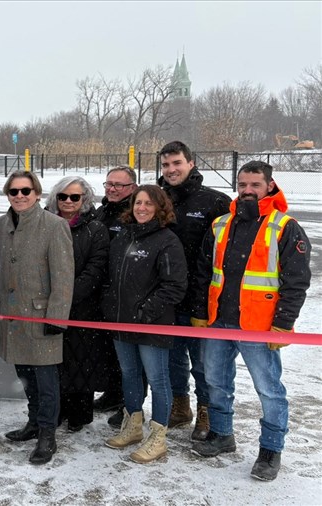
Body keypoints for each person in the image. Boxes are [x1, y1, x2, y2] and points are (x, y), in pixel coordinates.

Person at [191, 161, 311, 481]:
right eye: (242, 184)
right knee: (216, 381)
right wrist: (201, 314)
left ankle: (270, 450)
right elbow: (204, 274)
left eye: (255, 185)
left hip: (259, 325)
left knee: (268, 390)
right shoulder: (220, 224)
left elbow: (296, 281)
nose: (247, 190)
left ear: (269, 186)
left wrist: (284, 324)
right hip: (219, 322)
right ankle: (221, 434)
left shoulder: (284, 227)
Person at [0, 171, 74, 465]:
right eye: (13, 192)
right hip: (12, 316)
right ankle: (34, 422)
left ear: (37, 193)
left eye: (25, 191)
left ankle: (48, 434)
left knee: (46, 380)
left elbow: (63, 277)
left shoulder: (54, 226)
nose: (19, 196)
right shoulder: (0, 225)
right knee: (25, 375)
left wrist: (56, 317)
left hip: (40, 317)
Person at [101, 185, 187, 464]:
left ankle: (158, 437)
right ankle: (133, 425)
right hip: (120, 322)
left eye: (149, 204)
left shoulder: (167, 240)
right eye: (138, 203)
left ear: (159, 207)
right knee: (129, 375)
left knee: (158, 380)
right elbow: (111, 279)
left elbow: (175, 286)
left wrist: (146, 311)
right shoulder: (123, 236)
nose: (142, 208)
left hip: (152, 325)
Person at [158, 141, 231, 441]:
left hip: (201, 300)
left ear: (191, 163)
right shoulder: (156, 198)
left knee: (203, 363)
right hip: (165, 298)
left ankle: (206, 410)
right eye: (165, 165)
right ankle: (180, 405)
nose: (171, 170)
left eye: (177, 163)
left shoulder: (215, 202)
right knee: (172, 358)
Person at [44, 175, 110, 434]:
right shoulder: (46, 224)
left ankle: (80, 413)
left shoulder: (96, 228)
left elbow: (96, 268)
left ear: (84, 199)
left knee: (82, 360)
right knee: (54, 360)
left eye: (75, 197)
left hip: (83, 306)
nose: (68, 201)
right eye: (63, 196)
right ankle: (56, 409)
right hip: (48, 305)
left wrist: (67, 296)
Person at [93, 166, 137, 426]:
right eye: (108, 184)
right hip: (103, 291)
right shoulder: (102, 211)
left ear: (132, 187)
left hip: (126, 294)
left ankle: (129, 404)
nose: (111, 189)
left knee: (128, 356)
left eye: (118, 185)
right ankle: (112, 393)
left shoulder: (135, 213)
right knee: (108, 350)